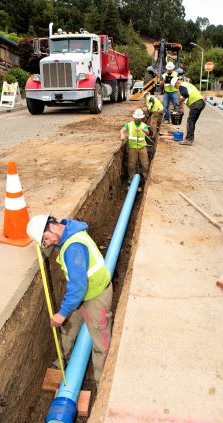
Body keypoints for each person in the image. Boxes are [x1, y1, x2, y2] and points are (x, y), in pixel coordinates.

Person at [26, 215, 113, 385]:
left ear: (51, 225)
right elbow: (78, 285)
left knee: (100, 343)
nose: (48, 243)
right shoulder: (67, 229)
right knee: (67, 328)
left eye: (46, 238)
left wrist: (63, 313)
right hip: (81, 295)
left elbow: (78, 286)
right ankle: (63, 361)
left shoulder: (74, 246)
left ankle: (101, 383)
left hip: (96, 295)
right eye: (44, 242)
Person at [171, 77, 205, 146]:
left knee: (190, 121)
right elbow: (187, 94)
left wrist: (178, 103)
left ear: (177, 82)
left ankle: (189, 140)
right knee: (192, 121)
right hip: (201, 102)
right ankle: (190, 138)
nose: (176, 88)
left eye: (175, 86)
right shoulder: (187, 84)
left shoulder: (181, 86)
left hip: (196, 103)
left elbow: (185, 94)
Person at [120, 109, 150, 186]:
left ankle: (146, 178)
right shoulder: (129, 124)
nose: (137, 119)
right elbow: (122, 129)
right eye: (136, 118)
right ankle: (131, 179)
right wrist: (122, 135)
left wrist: (142, 129)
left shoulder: (144, 125)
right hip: (132, 147)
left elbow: (148, 132)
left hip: (142, 147)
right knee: (131, 164)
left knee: (145, 163)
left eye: (139, 118)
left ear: (141, 118)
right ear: (134, 117)